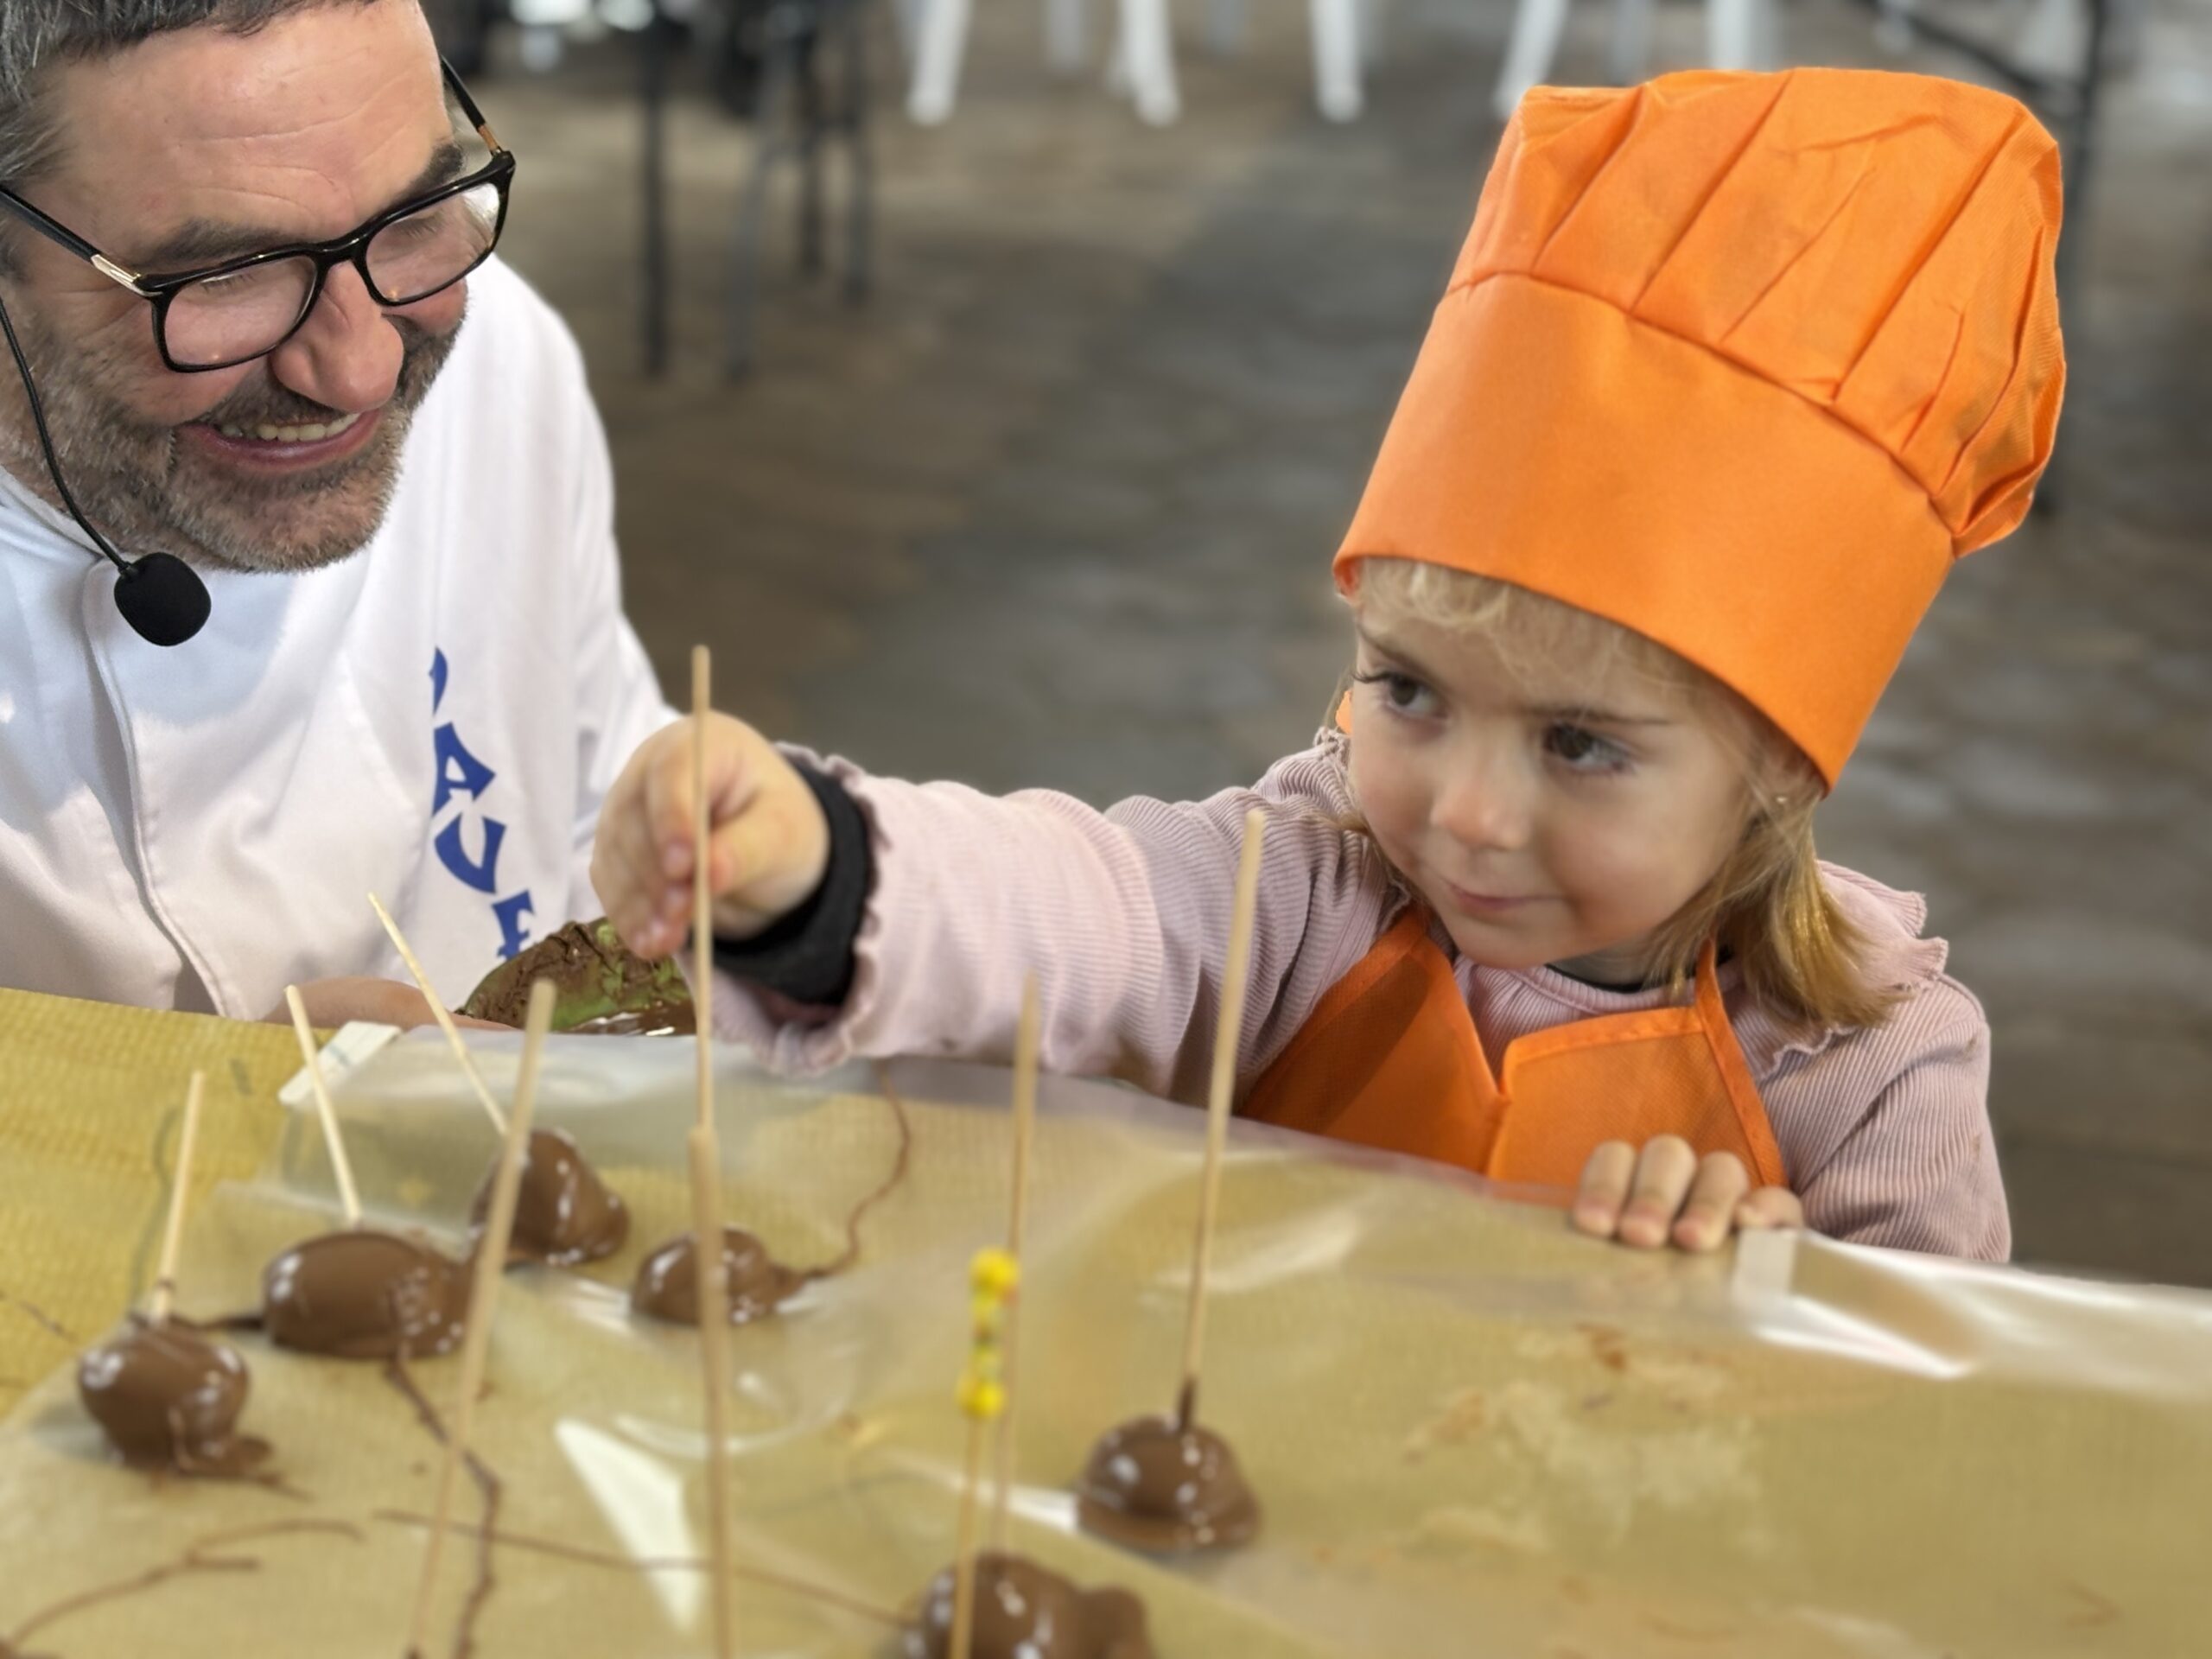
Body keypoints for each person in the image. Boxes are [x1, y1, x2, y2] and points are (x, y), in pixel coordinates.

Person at [593, 68, 2063, 1258]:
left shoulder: (1869, 1073)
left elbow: (1954, 1445)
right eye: (1409, 691)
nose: (1465, 814)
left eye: (1580, 743)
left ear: (1780, 765)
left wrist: (1785, 1313)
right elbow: (1080, 909)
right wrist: (818, 860)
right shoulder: (1310, 892)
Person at [0, 0, 671, 1027]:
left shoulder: (505, 358)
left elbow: (596, 803)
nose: (363, 369)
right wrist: (222, 1126)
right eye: (231, 275)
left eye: (413, 217)